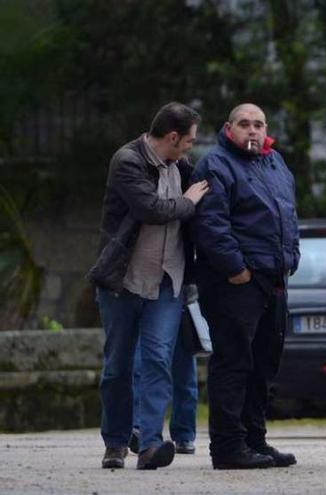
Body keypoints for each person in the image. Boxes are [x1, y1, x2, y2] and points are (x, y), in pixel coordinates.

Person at [89, 102, 209, 470]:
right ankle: (115, 442)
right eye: (188, 140)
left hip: (167, 284)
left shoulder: (181, 167)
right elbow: (151, 209)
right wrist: (188, 202)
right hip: (123, 282)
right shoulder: (127, 161)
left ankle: (151, 445)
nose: (191, 146)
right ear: (172, 137)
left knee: (158, 360)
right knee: (118, 366)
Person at [191, 103, 300, 470]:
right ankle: (227, 446)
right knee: (233, 361)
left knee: (264, 363)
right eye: (244, 124)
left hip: (273, 280)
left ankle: (255, 439)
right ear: (228, 128)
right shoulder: (215, 164)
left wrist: (291, 257)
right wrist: (235, 268)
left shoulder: (275, 163)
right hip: (236, 282)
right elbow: (210, 224)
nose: (251, 130)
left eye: (258, 124)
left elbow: (289, 214)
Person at [128, 333, 199, 455]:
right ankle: (138, 428)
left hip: (182, 314)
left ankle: (184, 432)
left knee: (184, 367)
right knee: (142, 361)